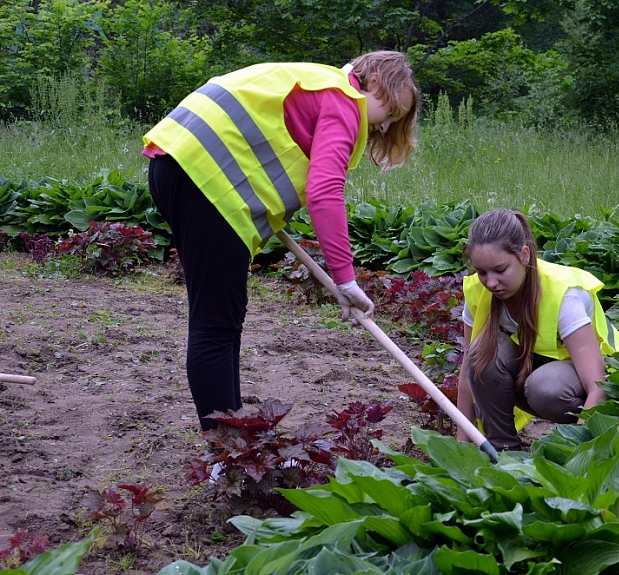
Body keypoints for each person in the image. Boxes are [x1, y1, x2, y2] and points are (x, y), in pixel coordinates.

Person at [143, 51, 420, 432]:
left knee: (224, 317)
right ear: (373, 82)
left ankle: (234, 434)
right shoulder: (344, 102)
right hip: (202, 180)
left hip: (174, 162)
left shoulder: (318, 82)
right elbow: (325, 191)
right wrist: (346, 279)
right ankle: (226, 456)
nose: (387, 129)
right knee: (215, 324)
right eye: (390, 114)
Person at [456, 209, 619, 451]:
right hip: (538, 367)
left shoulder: (563, 295)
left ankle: (592, 435)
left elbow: (598, 385)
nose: (491, 282)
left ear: (524, 255)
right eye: (482, 272)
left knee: (544, 387)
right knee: (482, 353)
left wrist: (575, 455)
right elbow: (467, 375)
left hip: (602, 382)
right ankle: (501, 451)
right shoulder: (478, 290)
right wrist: (459, 449)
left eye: (500, 270)